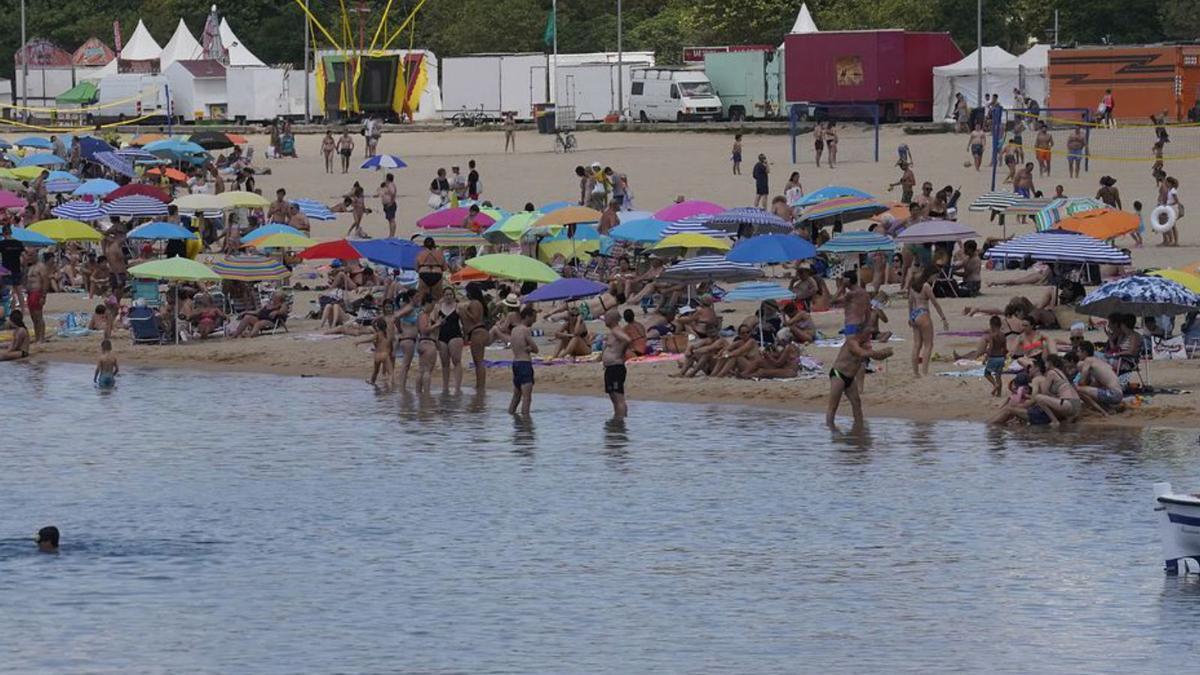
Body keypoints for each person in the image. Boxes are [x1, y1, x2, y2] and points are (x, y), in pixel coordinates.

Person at [825, 331, 893, 427]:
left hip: (850, 378)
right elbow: (862, 353)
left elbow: (874, 355)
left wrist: (885, 353)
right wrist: (878, 353)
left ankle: (859, 426)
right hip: (838, 375)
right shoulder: (851, 342)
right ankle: (830, 428)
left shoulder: (865, 344)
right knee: (833, 406)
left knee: (856, 403)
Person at [907, 267, 949, 377]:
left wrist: (910, 317)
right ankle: (924, 371)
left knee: (917, 345)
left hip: (915, 314)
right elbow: (935, 303)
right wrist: (943, 318)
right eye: (934, 276)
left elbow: (910, 303)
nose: (935, 279)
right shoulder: (926, 286)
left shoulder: (913, 286)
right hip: (923, 313)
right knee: (928, 345)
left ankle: (915, 372)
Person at [954, 315, 1008, 397]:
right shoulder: (1003, 335)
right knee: (998, 376)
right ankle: (999, 394)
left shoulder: (992, 336)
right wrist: (1004, 357)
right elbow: (1005, 348)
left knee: (987, 373)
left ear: (991, 325)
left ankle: (995, 385)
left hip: (994, 357)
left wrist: (985, 358)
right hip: (1001, 358)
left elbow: (991, 348)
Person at [1075, 341, 1123, 414]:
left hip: (1112, 394)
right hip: (1119, 394)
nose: (1077, 354)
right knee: (1086, 390)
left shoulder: (1088, 360)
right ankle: (1109, 408)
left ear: (1084, 352)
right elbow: (1096, 384)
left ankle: (1105, 410)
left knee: (1077, 389)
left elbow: (1081, 383)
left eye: (1078, 351)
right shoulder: (1099, 361)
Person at [508, 306, 538, 415]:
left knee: (516, 395)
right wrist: (530, 348)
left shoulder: (514, 330)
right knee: (527, 398)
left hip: (515, 363)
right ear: (527, 317)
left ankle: (512, 415)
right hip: (524, 364)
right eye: (533, 318)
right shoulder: (525, 330)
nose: (534, 321)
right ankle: (526, 422)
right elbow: (535, 348)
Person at [601, 310, 630, 419]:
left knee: (619, 398)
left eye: (606, 317)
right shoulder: (613, 332)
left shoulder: (616, 331)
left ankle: (621, 422)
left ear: (612, 319)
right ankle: (617, 421)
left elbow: (627, 340)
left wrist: (620, 353)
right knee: (613, 397)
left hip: (616, 367)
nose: (604, 319)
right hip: (610, 368)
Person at [436, 286, 465, 393]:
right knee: (444, 363)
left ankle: (457, 387)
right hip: (442, 336)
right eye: (446, 294)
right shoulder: (438, 307)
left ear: (453, 296)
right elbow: (434, 322)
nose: (448, 296)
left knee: (456, 361)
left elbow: (463, 322)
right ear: (443, 296)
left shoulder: (458, 307)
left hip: (455, 335)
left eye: (450, 294)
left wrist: (465, 335)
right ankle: (445, 387)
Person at [461, 283, 490, 390]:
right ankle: (480, 385)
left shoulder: (474, 303)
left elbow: (475, 318)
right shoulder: (479, 303)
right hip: (480, 332)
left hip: (477, 333)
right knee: (479, 361)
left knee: (478, 362)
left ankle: (480, 385)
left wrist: (465, 311)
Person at [24, 251, 49, 343]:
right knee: (33, 317)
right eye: (28, 255)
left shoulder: (41, 266)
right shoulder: (30, 267)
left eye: (31, 255)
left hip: (37, 293)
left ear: (36, 256)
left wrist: (43, 296)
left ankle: (41, 338)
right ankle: (37, 336)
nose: (29, 257)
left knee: (38, 316)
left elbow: (46, 281)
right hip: (30, 293)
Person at [0, 224, 25, 312]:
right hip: (17, 269)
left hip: (6, 270)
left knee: (10, 293)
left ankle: (12, 310)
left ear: (3, 233)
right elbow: (23, 257)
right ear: (11, 232)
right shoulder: (18, 243)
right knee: (19, 292)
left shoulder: (2, 244)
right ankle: (23, 309)